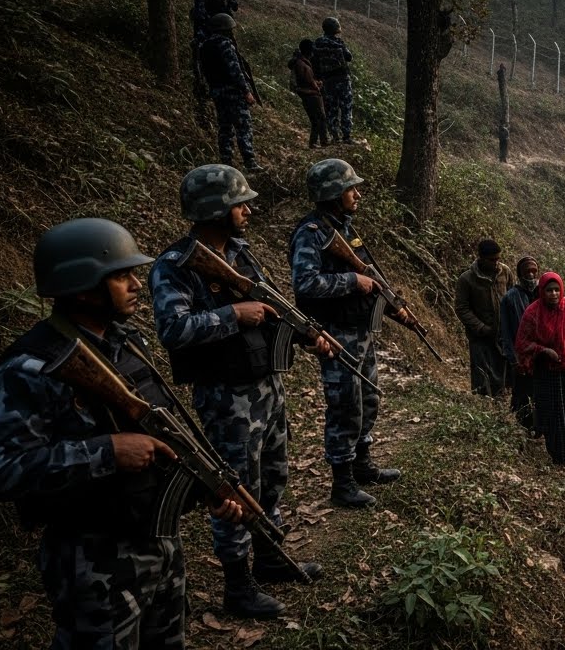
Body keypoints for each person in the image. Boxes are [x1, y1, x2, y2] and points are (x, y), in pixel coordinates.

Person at [0, 218, 244, 648]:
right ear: (83, 287)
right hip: (92, 560)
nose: (137, 284)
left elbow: (165, 430)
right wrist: (107, 451)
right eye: (121, 275)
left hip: (157, 541)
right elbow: (1, 472)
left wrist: (207, 491)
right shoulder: (29, 369)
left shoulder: (127, 343)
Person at [151, 165, 326, 618]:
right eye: (239, 204)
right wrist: (234, 315)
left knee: (272, 477)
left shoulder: (241, 253)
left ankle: (269, 558)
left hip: (266, 383)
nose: (247, 210)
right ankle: (238, 587)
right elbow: (173, 330)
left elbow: (269, 305)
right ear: (214, 211)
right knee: (235, 491)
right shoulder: (176, 266)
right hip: (226, 395)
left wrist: (305, 334)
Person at [291, 158, 407, 508]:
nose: (357, 194)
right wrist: (352, 281)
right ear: (332, 194)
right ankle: (342, 483)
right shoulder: (311, 233)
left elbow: (371, 276)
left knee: (368, 397)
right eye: (349, 189)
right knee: (345, 406)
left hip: (359, 331)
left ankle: (362, 464)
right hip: (336, 334)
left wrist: (393, 303)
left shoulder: (343, 228)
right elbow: (305, 283)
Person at [514, 272, 565, 466]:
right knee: (552, 412)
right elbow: (522, 342)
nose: (553, 294)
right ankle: (558, 455)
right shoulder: (533, 312)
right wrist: (544, 350)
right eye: (549, 290)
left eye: (557, 289)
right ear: (542, 291)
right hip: (545, 371)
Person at [199, 13, 261, 171]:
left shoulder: (204, 45)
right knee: (243, 126)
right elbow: (235, 70)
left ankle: (226, 162)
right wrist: (246, 91)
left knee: (225, 127)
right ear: (226, 29)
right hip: (232, 91)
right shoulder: (225, 44)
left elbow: (203, 71)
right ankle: (250, 162)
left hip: (217, 92)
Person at [454, 239, 516, 398]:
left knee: (503, 375)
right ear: (480, 258)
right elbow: (462, 308)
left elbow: (512, 297)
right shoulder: (466, 279)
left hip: (502, 335)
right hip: (479, 336)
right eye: (492, 260)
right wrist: (481, 327)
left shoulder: (505, 272)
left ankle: (500, 403)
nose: (496, 263)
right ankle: (483, 405)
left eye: (498, 259)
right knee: (482, 376)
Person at [499, 256, 540, 436]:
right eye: (527, 272)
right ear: (519, 274)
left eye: (534, 271)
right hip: (521, 356)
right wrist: (513, 359)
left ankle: (540, 428)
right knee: (522, 394)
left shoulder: (544, 292)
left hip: (541, 355)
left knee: (541, 393)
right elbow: (506, 332)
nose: (531, 275)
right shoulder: (510, 298)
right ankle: (525, 428)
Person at [313, 17, 356, 145]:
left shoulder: (317, 43)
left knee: (331, 109)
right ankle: (346, 136)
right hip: (342, 79)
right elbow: (349, 57)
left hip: (327, 81)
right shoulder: (338, 42)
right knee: (346, 107)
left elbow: (314, 60)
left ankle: (334, 136)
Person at [290, 39, 328, 148]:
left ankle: (316, 142)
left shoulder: (301, 62)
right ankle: (320, 142)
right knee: (319, 118)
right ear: (308, 51)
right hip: (311, 94)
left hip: (307, 94)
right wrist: (318, 85)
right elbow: (308, 81)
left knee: (316, 119)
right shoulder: (302, 64)